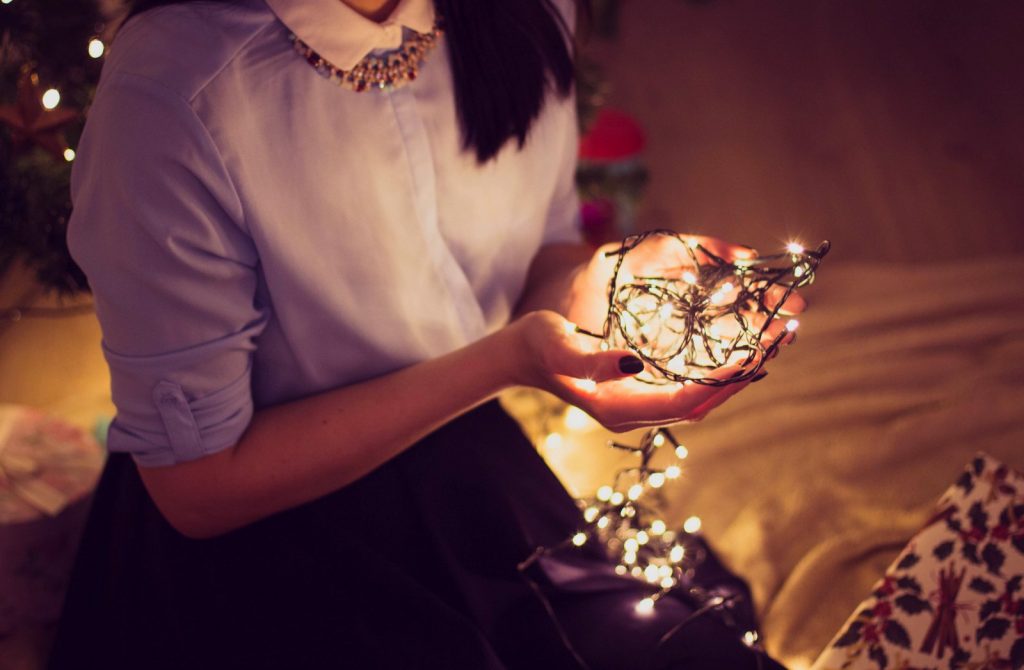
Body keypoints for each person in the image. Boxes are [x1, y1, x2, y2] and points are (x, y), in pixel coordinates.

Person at [50, 0, 798, 667]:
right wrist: (507, 362)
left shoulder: (525, 14)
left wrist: (619, 282)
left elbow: (539, 257)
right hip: (259, 549)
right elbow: (198, 492)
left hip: (466, 471)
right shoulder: (173, 95)